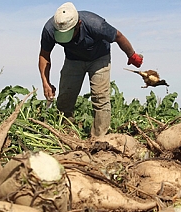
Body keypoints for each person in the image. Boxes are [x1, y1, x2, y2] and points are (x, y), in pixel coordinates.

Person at [38, 2, 143, 138]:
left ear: (79, 24)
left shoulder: (95, 24)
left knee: (100, 97)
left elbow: (118, 36)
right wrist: (45, 82)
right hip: (73, 60)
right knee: (65, 98)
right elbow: (44, 55)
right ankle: (66, 133)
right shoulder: (50, 29)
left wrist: (132, 55)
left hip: (99, 58)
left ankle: (99, 138)